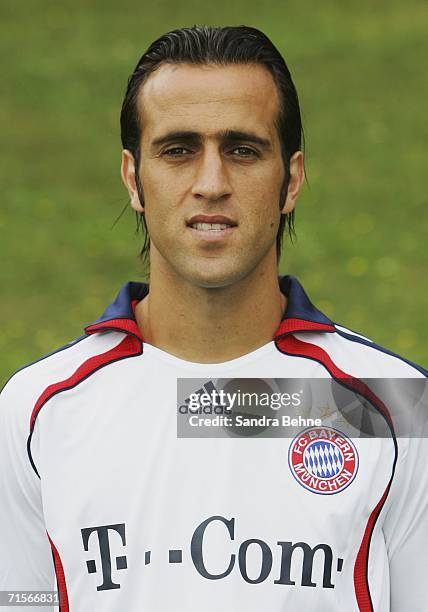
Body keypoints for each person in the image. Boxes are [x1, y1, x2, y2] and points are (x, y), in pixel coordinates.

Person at [0, 25, 427, 612]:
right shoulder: (36, 410)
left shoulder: (395, 404)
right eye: (178, 150)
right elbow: (20, 600)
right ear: (133, 178)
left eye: (242, 150)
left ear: (292, 179)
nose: (211, 184)